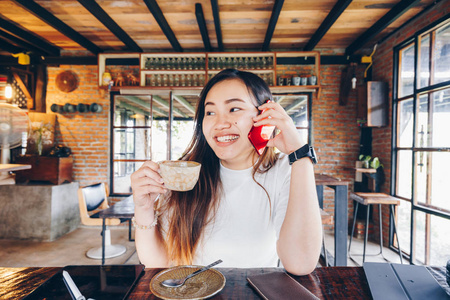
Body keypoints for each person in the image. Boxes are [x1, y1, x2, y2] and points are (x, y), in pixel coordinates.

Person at [131, 69, 322, 275]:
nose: (220, 123)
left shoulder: (283, 170)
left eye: (234, 109)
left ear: (265, 115)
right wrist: (143, 208)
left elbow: (300, 263)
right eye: (210, 112)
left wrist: (301, 156)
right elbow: (157, 263)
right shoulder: (184, 174)